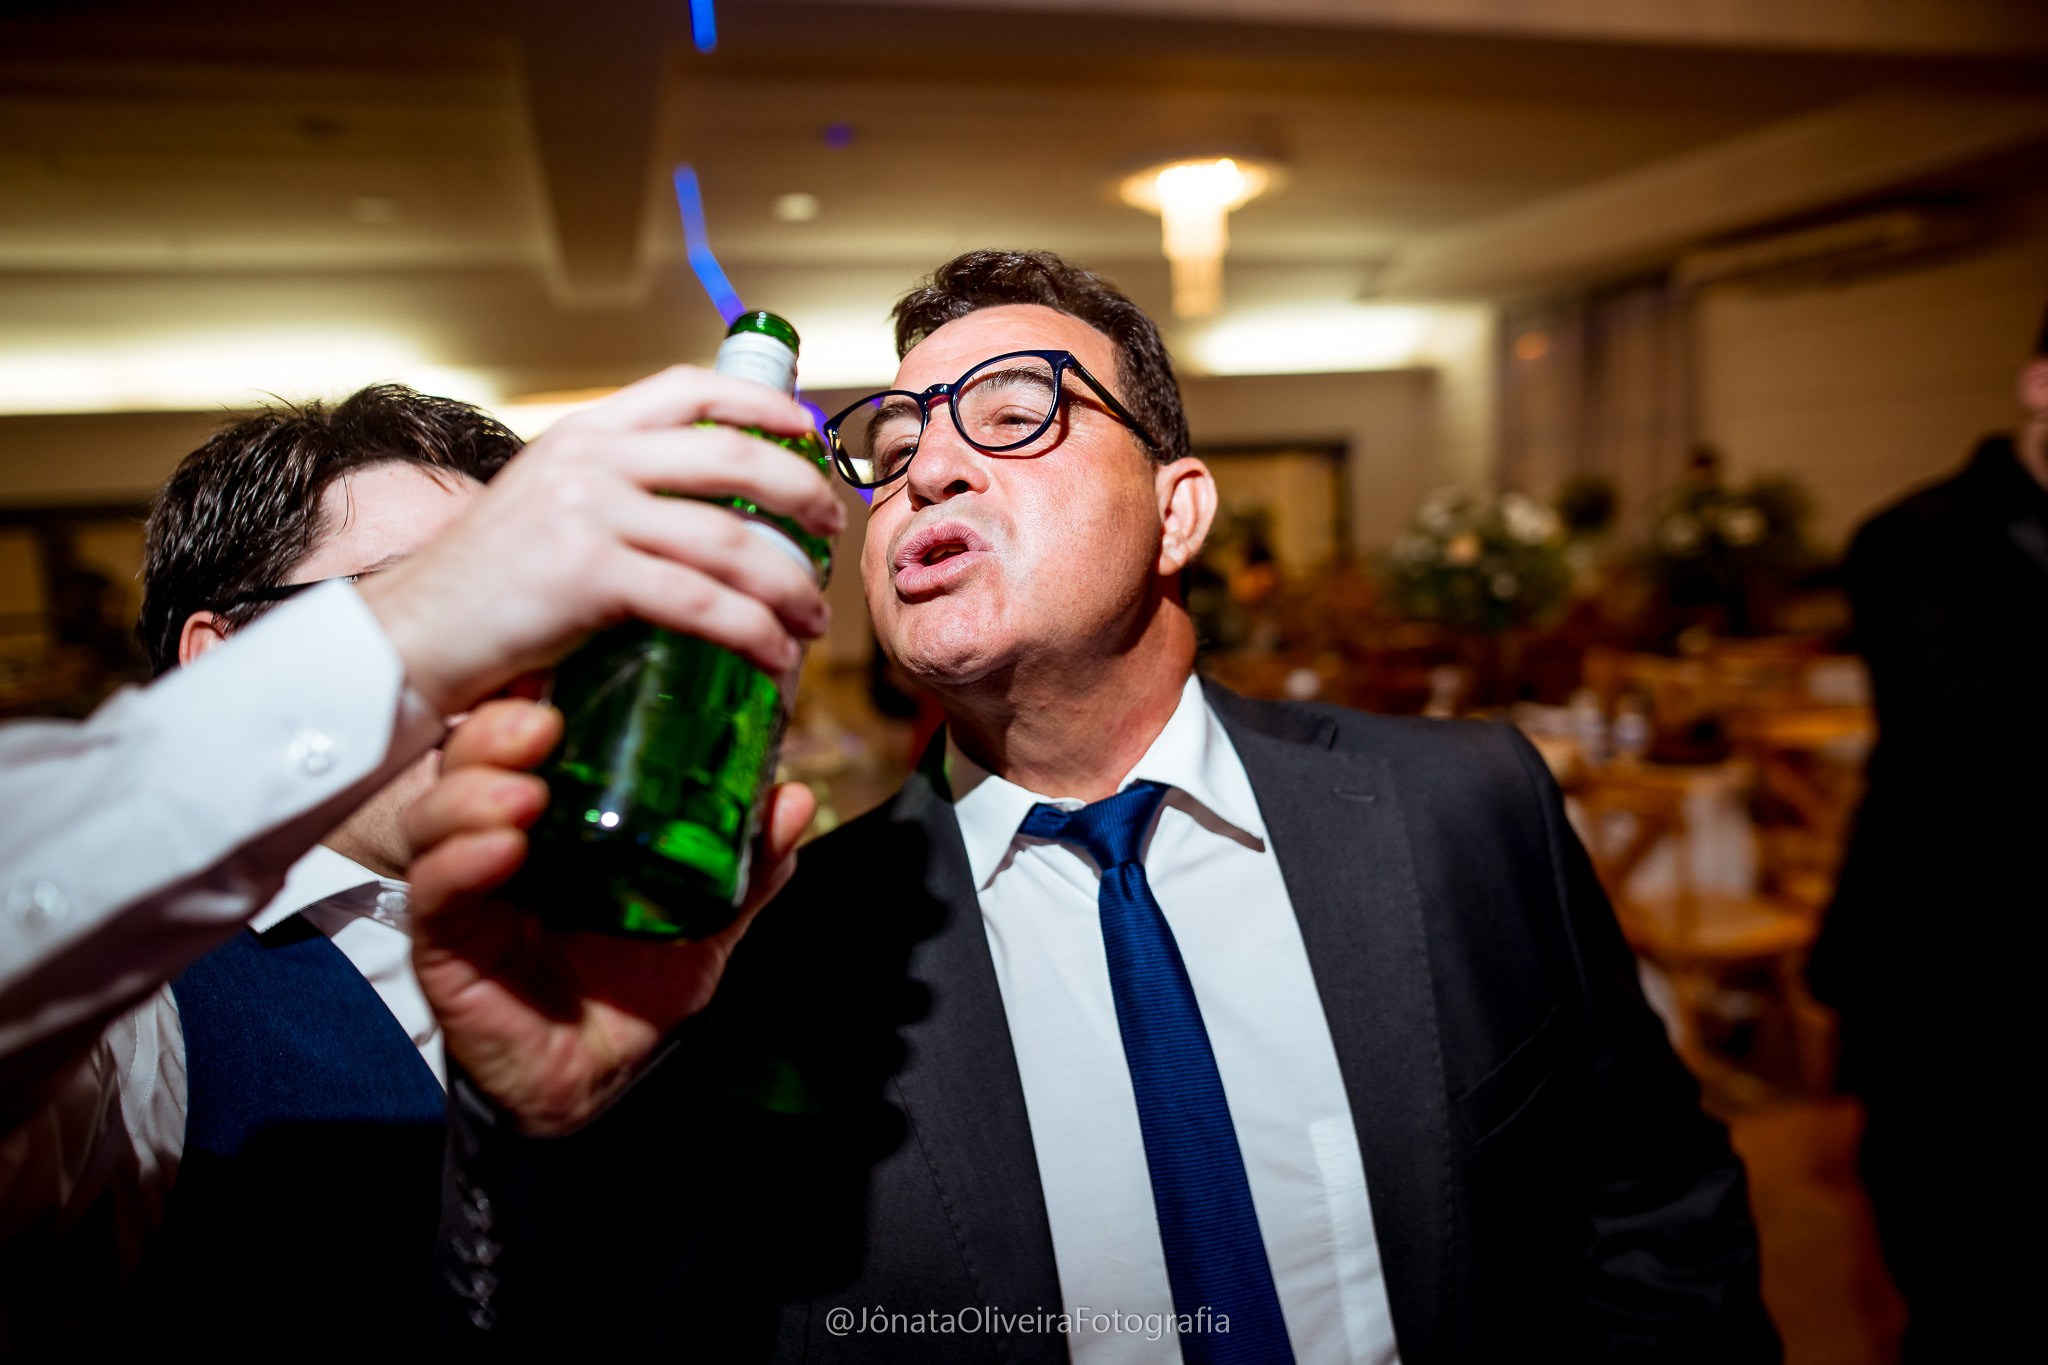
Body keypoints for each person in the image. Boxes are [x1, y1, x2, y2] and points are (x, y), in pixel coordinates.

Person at [414, 251, 1779, 1362]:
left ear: (1180, 511)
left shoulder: (1460, 810)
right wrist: (538, 1122)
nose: (928, 473)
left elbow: (1650, 1215)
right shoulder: (774, 947)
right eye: (891, 443)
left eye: (1015, 411)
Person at [0, 370, 842, 1356]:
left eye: (534, 618)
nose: (506, 664)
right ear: (224, 656)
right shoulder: (134, 1024)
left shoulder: (643, 951)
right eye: (446, 599)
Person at [1807, 310, 2048, 1363]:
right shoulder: (1913, 538)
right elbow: (1955, 733)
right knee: (1965, 1289)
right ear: (2038, 383)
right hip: (1950, 980)